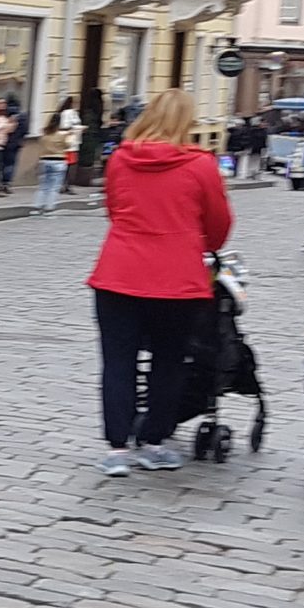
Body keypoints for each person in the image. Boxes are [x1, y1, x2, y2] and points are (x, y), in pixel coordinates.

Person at [87, 88, 233, 476]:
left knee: (118, 363)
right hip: (176, 280)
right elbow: (219, 223)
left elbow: (113, 209)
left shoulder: (121, 159)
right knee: (168, 362)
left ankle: (117, 449)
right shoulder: (201, 165)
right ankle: (154, 442)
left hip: (118, 273)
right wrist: (197, 242)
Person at [34, 100, 81, 214]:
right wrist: (71, 136)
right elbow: (67, 146)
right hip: (58, 161)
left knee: (43, 185)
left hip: (44, 160)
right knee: (54, 186)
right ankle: (49, 206)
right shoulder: (61, 135)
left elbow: (41, 144)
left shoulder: (44, 134)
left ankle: (38, 205)